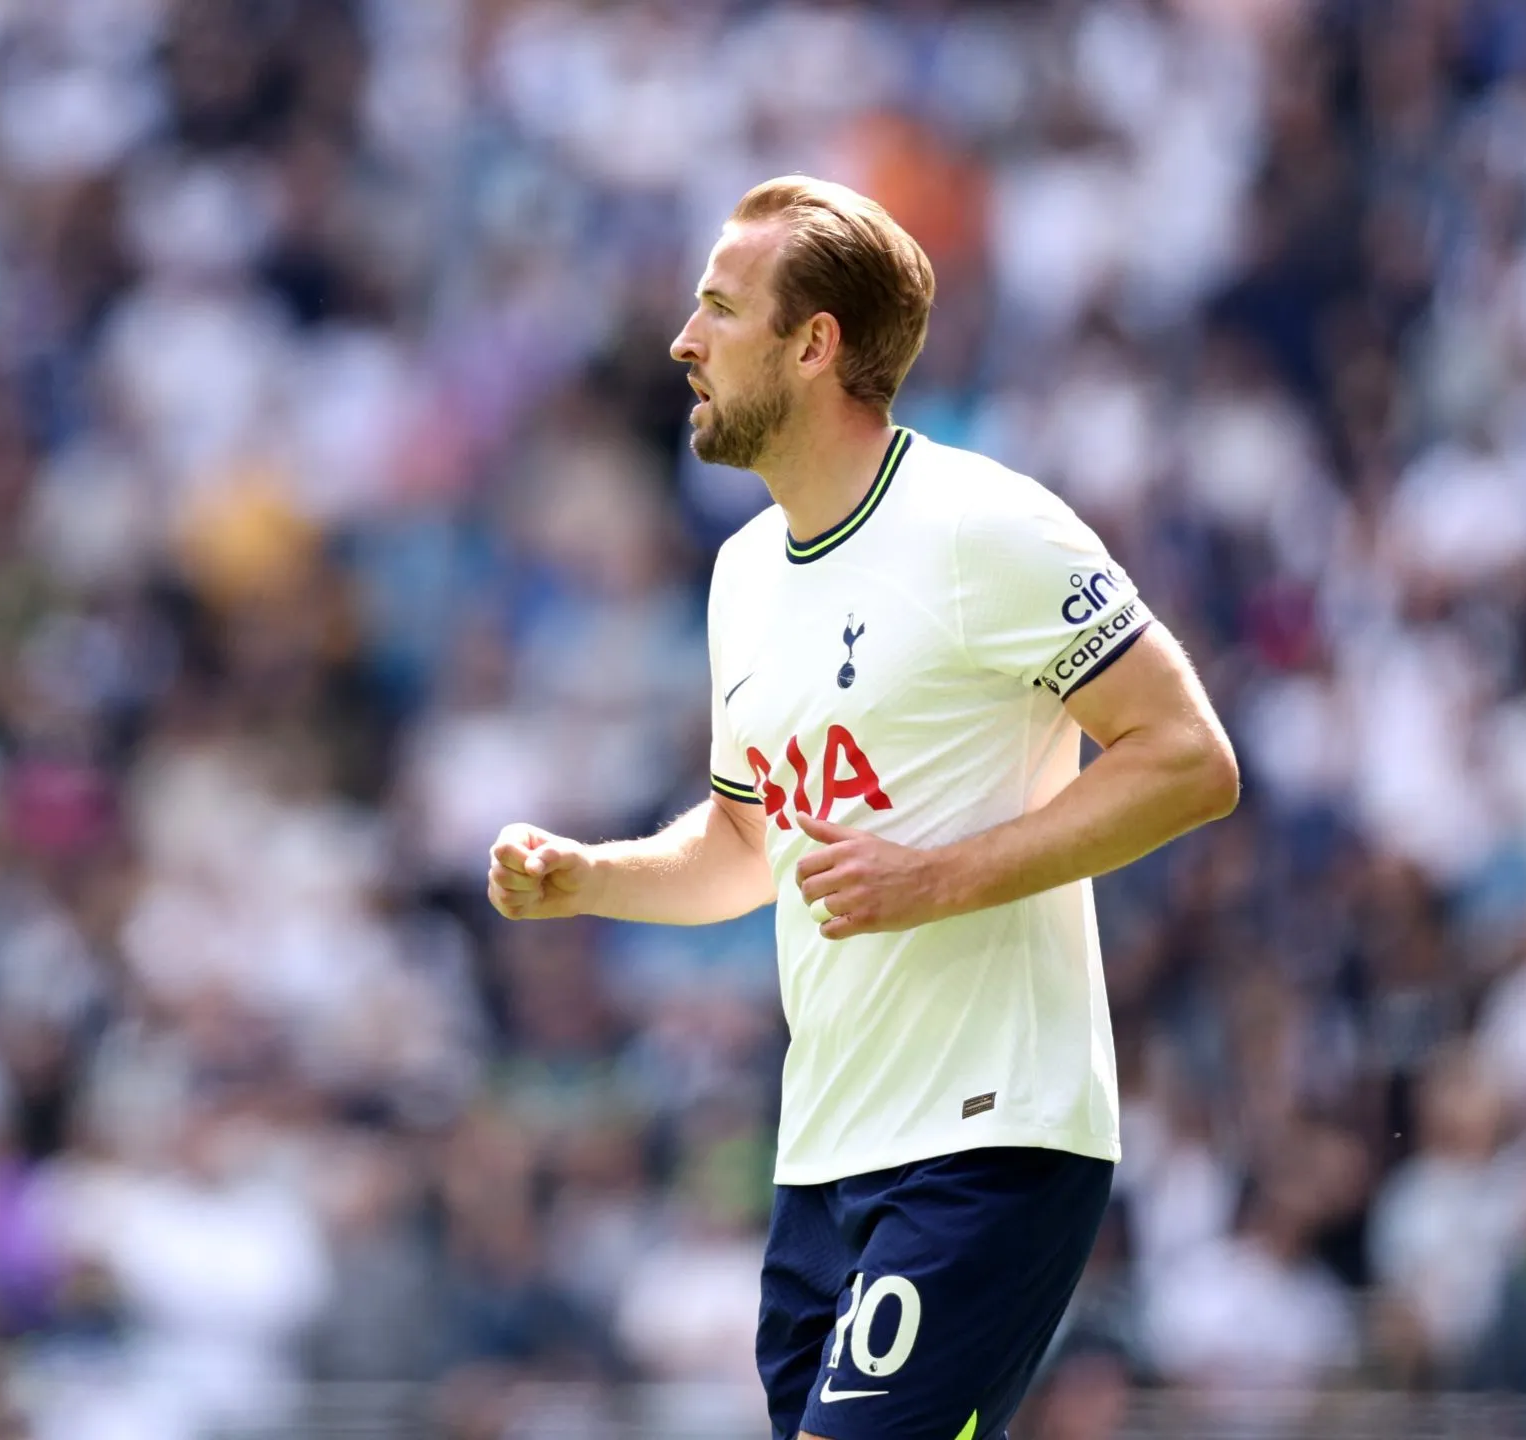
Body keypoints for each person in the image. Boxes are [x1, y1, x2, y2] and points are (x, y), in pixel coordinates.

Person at [485, 176, 1240, 1440]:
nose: (683, 341)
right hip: (824, 1154)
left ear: (813, 343)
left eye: (718, 309)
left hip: (991, 1137)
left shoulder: (979, 527)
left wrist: (936, 877)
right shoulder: (740, 573)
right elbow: (745, 845)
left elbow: (1188, 759)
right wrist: (589, 875)